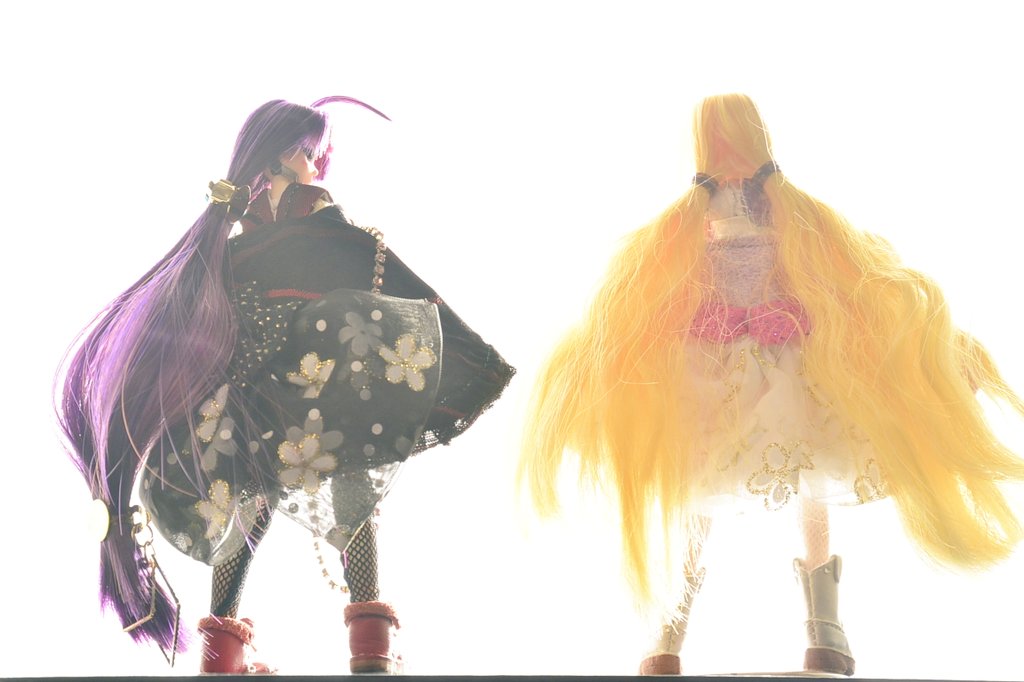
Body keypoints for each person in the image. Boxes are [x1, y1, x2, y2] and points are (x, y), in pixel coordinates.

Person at [519, 93, 1024, 676]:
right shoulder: (710, 210)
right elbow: (670, 283)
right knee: (704, 484)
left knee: (796, 474)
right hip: (722, 357)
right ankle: (682, 626)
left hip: (780, 352)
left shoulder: (768, 205)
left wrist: (798, 315)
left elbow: (823, 268)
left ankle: (804, 626)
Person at [59, 97, 514, 674]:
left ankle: (222, 648)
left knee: (255, 500)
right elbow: (369, 267)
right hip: (312, 379)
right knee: (347, 482)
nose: (317, 165)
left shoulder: (230, 236)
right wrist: (461, 349)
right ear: (284, 157)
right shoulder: (310, 218)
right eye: (309, 154)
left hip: (253, 393)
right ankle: (368, 638)